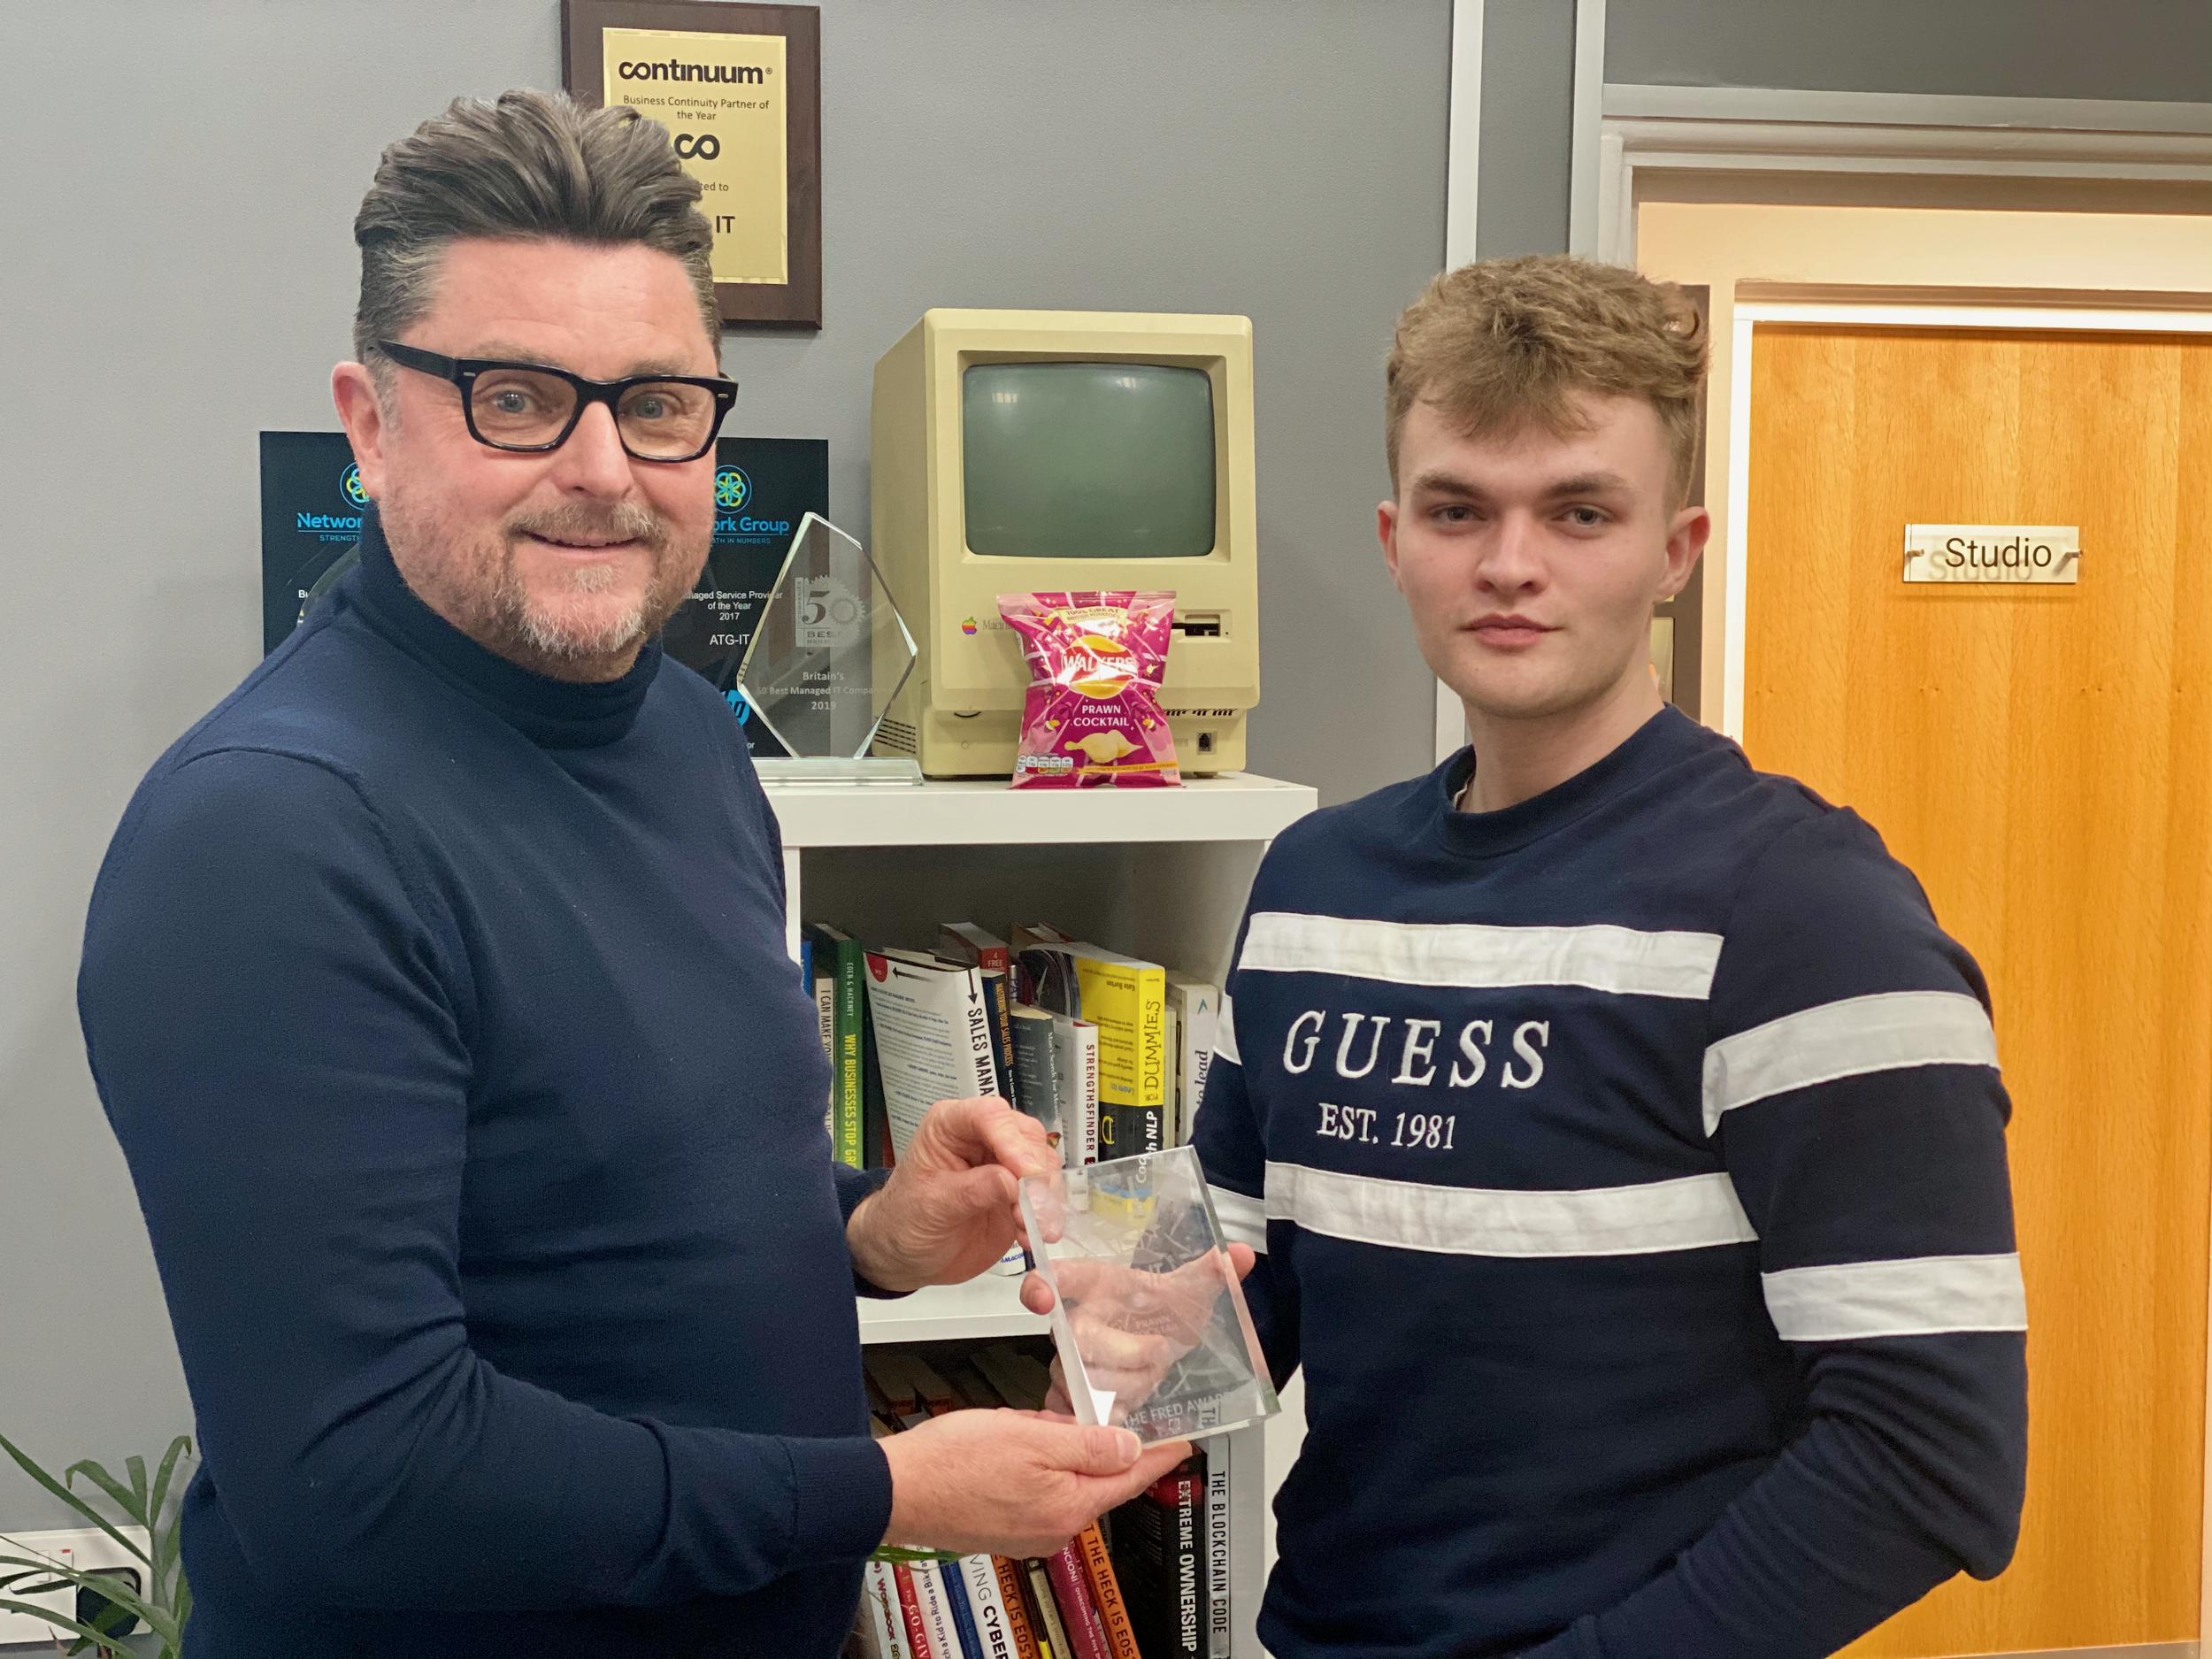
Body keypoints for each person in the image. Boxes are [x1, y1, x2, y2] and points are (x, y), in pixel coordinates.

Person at [77, 89, 1186, 1659]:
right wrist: (877, 1493)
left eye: (659, 402)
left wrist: (869, 1231)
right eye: (517, 395)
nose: (605, 467)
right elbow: (361, 1473)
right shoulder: (269, 836)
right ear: (370, 419)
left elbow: (617, 1213)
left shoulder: (677, 727)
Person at [1182, 257, 2028, 1657]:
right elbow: (1244, 1291)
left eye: (1579, 511)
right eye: (1460, 509)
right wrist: (1113, 1339)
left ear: (1677, 548)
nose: (1510, 563)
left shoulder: (1806, 911)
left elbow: (1932, 1454)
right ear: (1397, 536)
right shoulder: (1313, 881)